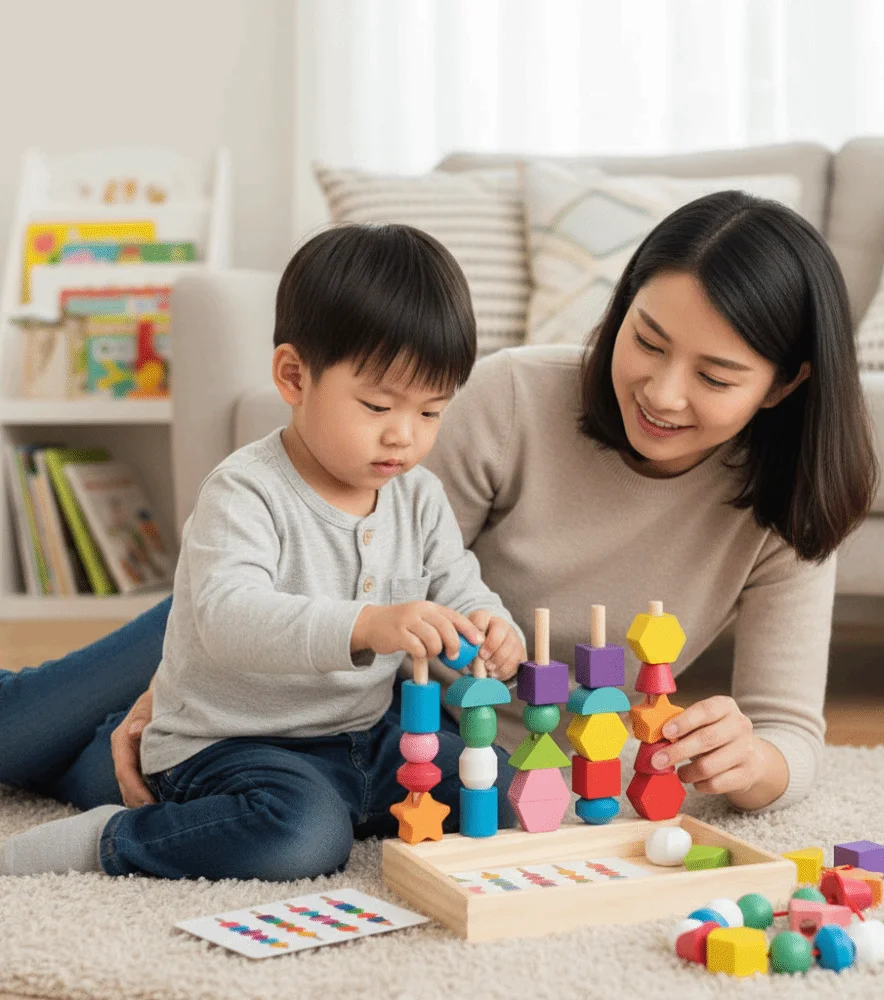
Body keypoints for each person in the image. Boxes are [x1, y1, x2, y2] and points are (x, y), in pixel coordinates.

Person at [0, 190, 877, 856]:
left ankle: (101, 784)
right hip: (297, 627)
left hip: (423, 717)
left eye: (717, 376)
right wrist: (177, 695)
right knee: (24, 732)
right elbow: (344, 555)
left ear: (787, 383)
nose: (662, 390)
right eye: (646, 340)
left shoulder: (789, 502)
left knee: (165, 787)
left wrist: (755, 764)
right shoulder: (515, 398)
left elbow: (787, 729)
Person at [0, 224, 525, 879]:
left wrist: (491, 624)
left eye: (431, 413)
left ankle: (336, 799)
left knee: (494, 786)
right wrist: (367, 625)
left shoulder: (417, 496)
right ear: (293, 376)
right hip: (235, 741)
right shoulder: (245, 490)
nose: (404, 436)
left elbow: (457, 580)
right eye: (377, 405)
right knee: (302, 838)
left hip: (364, 739)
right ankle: (108, 838)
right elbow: (227, 614)